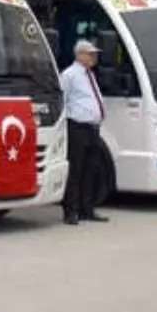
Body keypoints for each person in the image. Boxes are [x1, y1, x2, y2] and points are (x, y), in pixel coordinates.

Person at [60, 40, 110, 225]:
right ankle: (70, 211)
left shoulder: (90, 75)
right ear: (79, 55)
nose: (94, 57)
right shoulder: (70, 75)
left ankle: (86, 209)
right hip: (77, 127)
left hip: (93, 128)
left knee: (91, 169)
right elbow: (63, 99)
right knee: (76, 169)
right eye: (90, 54)